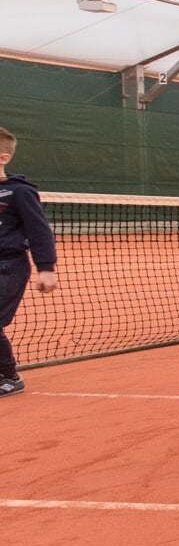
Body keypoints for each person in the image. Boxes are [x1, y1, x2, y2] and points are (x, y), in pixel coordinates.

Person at [0, 126, 57, 398]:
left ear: (3, 158)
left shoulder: (19, 193)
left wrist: (46, 269)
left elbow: (39, 231)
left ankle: (9, 377)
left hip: (9, 266)